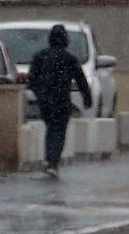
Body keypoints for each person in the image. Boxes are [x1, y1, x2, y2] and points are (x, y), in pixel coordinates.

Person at [27, 24, 92, 179]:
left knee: (51, 128)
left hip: (45, 101)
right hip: (62, 100)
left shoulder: (40, 57)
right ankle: (53, 162)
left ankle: (49, 157)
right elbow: (81, 80)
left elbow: (32, 80)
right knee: (59, 131)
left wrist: (40, 94)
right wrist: (87, 98)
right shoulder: (69, 59)